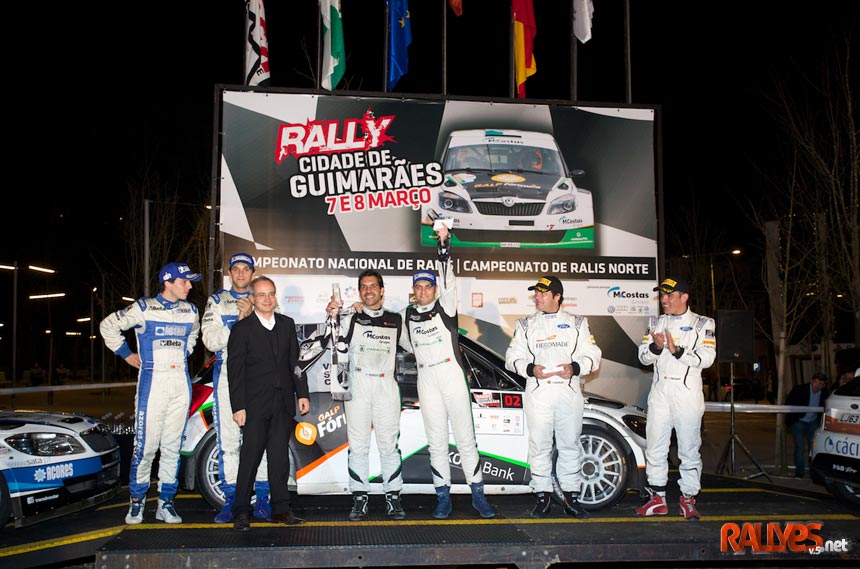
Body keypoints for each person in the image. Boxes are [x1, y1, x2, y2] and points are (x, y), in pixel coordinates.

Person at [399, 223, 496, 519]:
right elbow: (398, 338)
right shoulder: (407, 315)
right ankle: (443, 497)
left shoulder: (446, 307)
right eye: (418, 286)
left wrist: (443, 248)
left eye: (428, 286)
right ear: (414, 290)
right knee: (437, 442)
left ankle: (478, 495)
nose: (423, 290)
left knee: (465, 439)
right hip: (427, 379)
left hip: (451, 375)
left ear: (435, 289)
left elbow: (449, 280)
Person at [99, 262, 202, 525]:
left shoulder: (191, 311)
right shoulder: (143, 307)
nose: (189, 286)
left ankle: (166, 503)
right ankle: (137, 501)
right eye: (184, 281)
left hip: (180, 382)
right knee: (145, 447)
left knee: (172, 447)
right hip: (153, 381)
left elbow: (193, 336)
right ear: (168, 282)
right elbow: (107, 326)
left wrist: (185, 352)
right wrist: (126, 354)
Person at [505, 276, 601, 518]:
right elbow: (512, 357)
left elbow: (593, 354)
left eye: (543, 293)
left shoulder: (578, 323)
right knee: (539, 446)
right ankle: (542, 496)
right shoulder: (525, 325)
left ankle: (571, 498)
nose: (537, 297)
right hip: (538, 391)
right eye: (536, 293)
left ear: (557, 296)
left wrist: (576, 367)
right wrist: (530, 369)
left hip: (568, 391)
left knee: (569, 445)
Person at [227, 276, 310, 530]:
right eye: (261, 294)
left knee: (279, 459)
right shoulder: (241, 329)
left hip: (282, 403)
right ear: (252, 299)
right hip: (254, 405)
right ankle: (241, 511)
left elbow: (295, 363)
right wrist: (238, 406)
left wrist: (302, 393)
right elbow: (235, 371)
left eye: (271, 294)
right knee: (250, 459)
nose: (267, 299)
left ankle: (281, 509)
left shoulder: (287, 324)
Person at [325, 270, 405, 521]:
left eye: (373, 286)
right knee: (358, 445)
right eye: (363, 287)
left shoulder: (396, 319)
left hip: (386, 385)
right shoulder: (352, 316)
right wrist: (333, 314)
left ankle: (393, 497)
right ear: (360, 291)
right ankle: (360, 498)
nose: (368, 290)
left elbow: (413, 345)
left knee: (389, 445)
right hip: (358, 383)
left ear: (382, 290)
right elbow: (333, 339)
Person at [636, 277, 716, 521]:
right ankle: (657, 498)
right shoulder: (655, 323)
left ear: (684, 297)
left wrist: (678, 351)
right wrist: (656, 348)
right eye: (662, 295)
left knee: (689, 448)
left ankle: (688, 498)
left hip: (687, 392)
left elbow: (708, 358)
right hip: (660, 391)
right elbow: (642, 357)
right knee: (655, 447)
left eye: (670, 295)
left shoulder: (703, 323)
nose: (664, 300)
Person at [202, 253, 273, 523]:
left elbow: (274, 337)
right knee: (229, 441)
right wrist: (238, 323)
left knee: (261, 439)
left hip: (259, 377)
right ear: (229, 273)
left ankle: (263, 499)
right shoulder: (218, 301)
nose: (241, 273)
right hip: (227, 376)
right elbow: (210, 341)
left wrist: (251, 318)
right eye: (236, 269)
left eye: (246, 269)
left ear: (253, 272)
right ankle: (231, 500)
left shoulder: (263, 297)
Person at [785, 372, 829, 478]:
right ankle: (799, 473)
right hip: (799, 421)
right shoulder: (799, 390)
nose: (818, 386)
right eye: (816, 383)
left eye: (821, 384)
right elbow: (789, 403)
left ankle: (813, 472)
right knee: (800, 446)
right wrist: (791, 422)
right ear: (811, 381)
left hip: (813, 421)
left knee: (813, 448)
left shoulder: (824, 393)